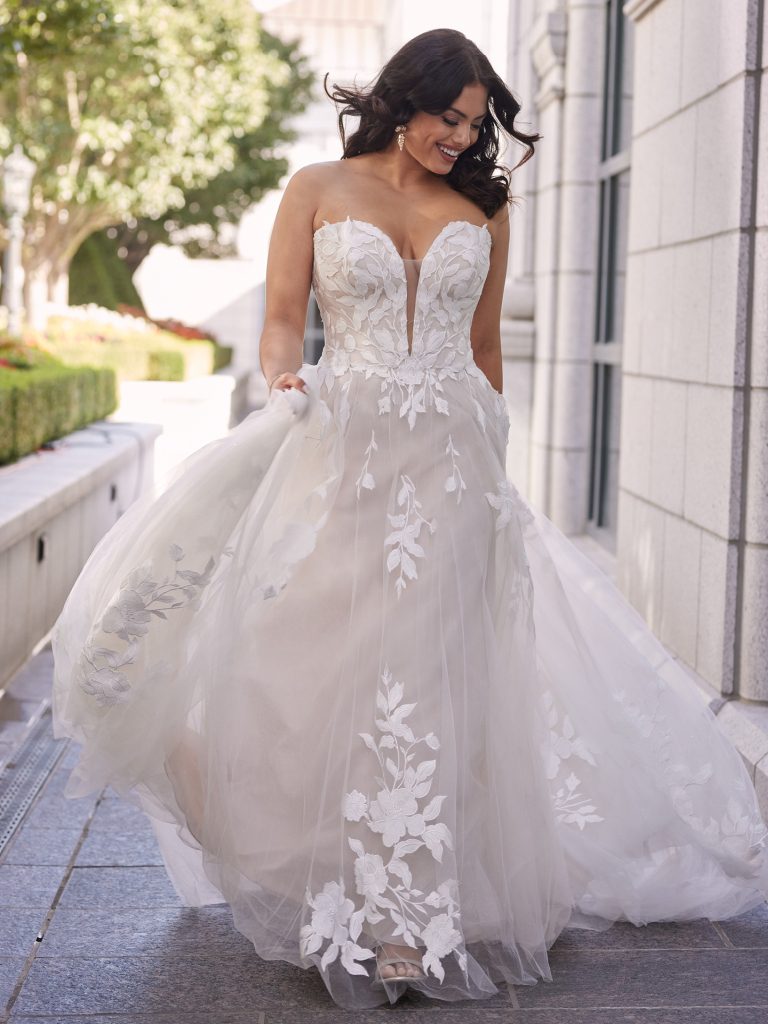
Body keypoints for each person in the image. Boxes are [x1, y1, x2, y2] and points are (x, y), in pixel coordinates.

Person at [51, 28, 768, 1011]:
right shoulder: (316, 189)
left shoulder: (487, 204)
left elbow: (483, 348)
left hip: (454, 469)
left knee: (428, 672)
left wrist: (498, 462)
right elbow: (280, 314)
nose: (461, 138)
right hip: (343, 452)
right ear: (405, 100)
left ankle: (401, 920)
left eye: (476, 125)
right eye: (450, 118)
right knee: (311, 657)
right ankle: (319, 865)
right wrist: (283, 373)